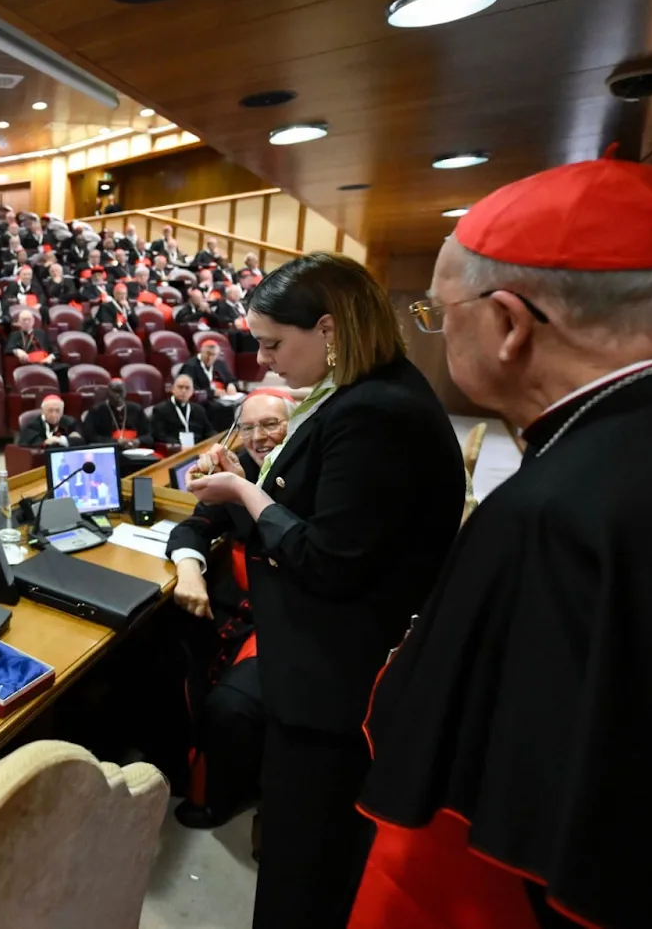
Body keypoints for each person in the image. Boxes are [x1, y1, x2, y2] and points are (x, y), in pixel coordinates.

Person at [350, 159, 652, 929]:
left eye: (439, 314)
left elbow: (474, 850)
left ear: (508, 323)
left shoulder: (554, 518)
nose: (436, 334)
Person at [179, 252, 463, 928]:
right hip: (316, 662)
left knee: (304, 866)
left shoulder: (377, 412)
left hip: (333, 679)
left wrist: (245, 490)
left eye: (275, 343)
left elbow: (329, 557)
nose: (267, 360)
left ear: (330, 330)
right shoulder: (362, 392)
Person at [165, 392, 290, 830]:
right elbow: (194, 526)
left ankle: (219, 797)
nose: (259, 437)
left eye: (271, 424)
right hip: (233, 608)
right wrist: (188, 570)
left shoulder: (307, 474)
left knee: (231, 705)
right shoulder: (239, 469)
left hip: (285, 618)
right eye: (250, 428)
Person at [83, 379, 152, 448]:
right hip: (109, 448)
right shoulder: (97, 410)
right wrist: (115, 442)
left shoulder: (136, 409)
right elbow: (90, 436)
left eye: (120, 391)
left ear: (125, 391)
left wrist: (138, 441)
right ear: (108, 392)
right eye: (114, 391)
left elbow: (148, 435)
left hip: (134, 449)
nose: (117, 395)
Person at [152, 373, 213, 448]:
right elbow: (159, 436)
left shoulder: (199, 410)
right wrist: (179, 446)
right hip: (176, 451)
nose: (184, 391)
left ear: (192, 391)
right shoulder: (161, 410)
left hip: (198, 449)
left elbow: (209, 431)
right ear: (173, 389)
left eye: (187, 388)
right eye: (180, 387)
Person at [17, 394, 82, 448]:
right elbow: (35, 446)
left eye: (57, 410)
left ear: (62, 411)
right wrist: (67, 440)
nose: (54, 415)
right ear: (42, 411)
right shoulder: (31, 426)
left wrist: (60, 440)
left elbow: (81, 441)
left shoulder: (70, 422)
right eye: (50, 411)